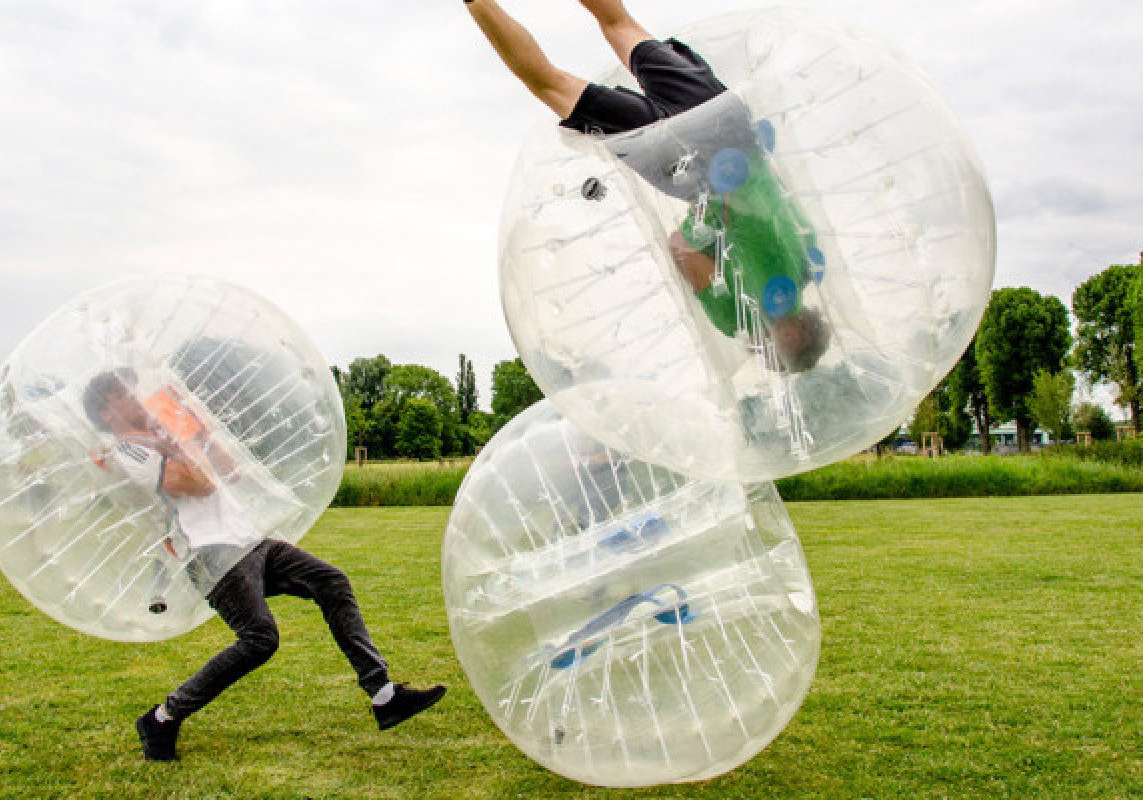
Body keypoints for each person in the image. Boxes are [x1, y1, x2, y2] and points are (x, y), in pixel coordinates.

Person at [82, 368, 446, 762]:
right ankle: (162, 717)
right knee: (259, 639)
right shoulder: (129, 450)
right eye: (123, 393)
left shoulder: (163, 434)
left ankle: (383, 695)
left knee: (331, 582)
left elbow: (228, 470)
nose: (136, 395)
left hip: (249, 540)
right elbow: (198, 483)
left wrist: (196, 427)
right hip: (211, 552)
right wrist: (177, 435)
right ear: (106, 412)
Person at [464, 0, 830, 372]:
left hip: (729, 125)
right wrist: (705, 223)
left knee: (619, 23)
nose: (766, 359)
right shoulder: (737, 317)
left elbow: (772, 195)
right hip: (684, 167)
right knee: (549, 83)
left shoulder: (805, 264)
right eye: (777, 359)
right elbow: (682, 247)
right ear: (796, 339)